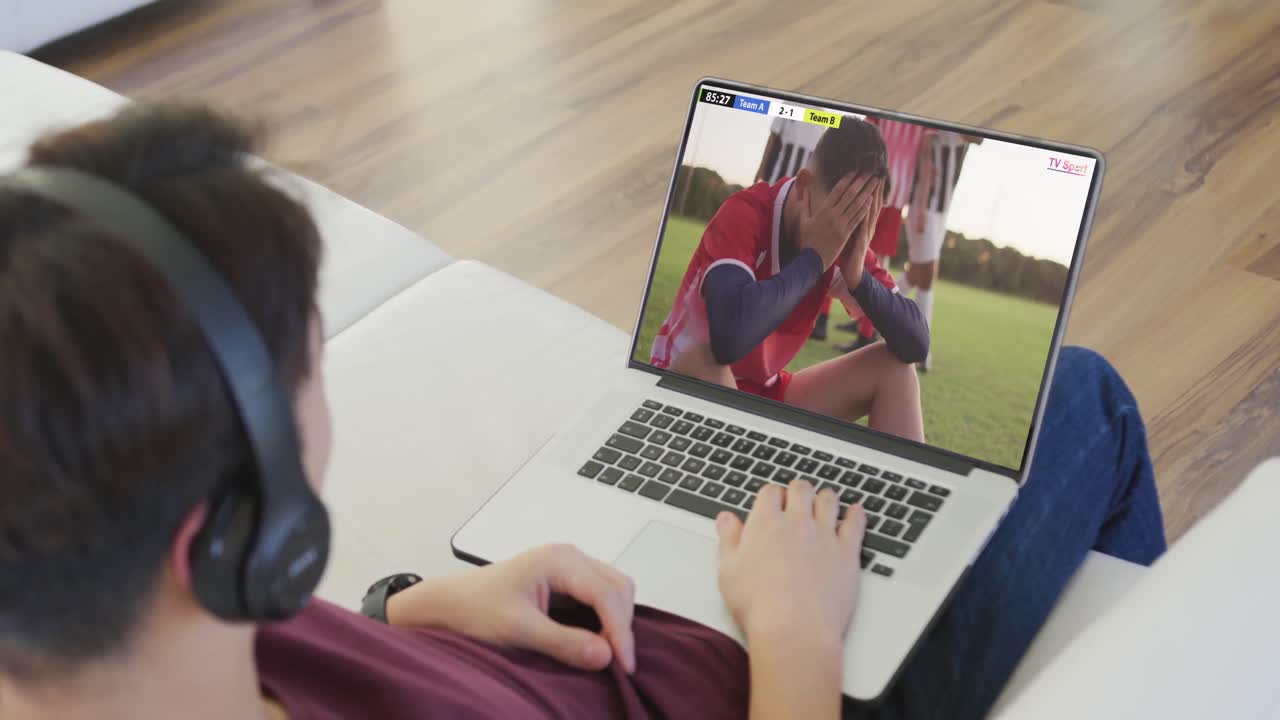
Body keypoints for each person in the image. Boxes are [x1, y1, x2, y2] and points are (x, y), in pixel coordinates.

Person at [0, 105, 1167, 720]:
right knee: (1090, 400)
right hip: (786, 672)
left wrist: (410, 610)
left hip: (626, 622)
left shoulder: (128, 625)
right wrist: (799, 637)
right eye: (306, 369)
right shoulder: (744, 227)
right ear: (235, 536)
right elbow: (731, 321)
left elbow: (290, 662)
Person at [652, 119, 930, 441]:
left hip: (764, 393)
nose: (844, 234)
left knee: (894, 370)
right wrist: (814, 260)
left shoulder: (847, 242)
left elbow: (916, 343)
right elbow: (728, 340)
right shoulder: (746, 212)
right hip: (688, 380)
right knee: (702, 358)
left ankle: (897, 490)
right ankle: (761, 474)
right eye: (838, 216)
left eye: (860, 221)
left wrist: (857, 277)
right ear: (803, 186)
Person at [834, 117, 928, 353]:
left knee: (862, 256)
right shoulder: (925, 116)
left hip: (879, 187)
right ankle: (865, 330)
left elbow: (867, 138)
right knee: (872, 261)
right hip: (893, 192)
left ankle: (866, 334)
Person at [896, 130, 982, 371]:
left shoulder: (962, 130)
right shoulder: (935, 127)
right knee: (927, 276)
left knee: (918, 275)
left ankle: (874, 310)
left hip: (942, 210)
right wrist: (921, 208)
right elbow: (924, 159)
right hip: (924, 207)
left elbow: (979, 139)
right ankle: (922, 350)